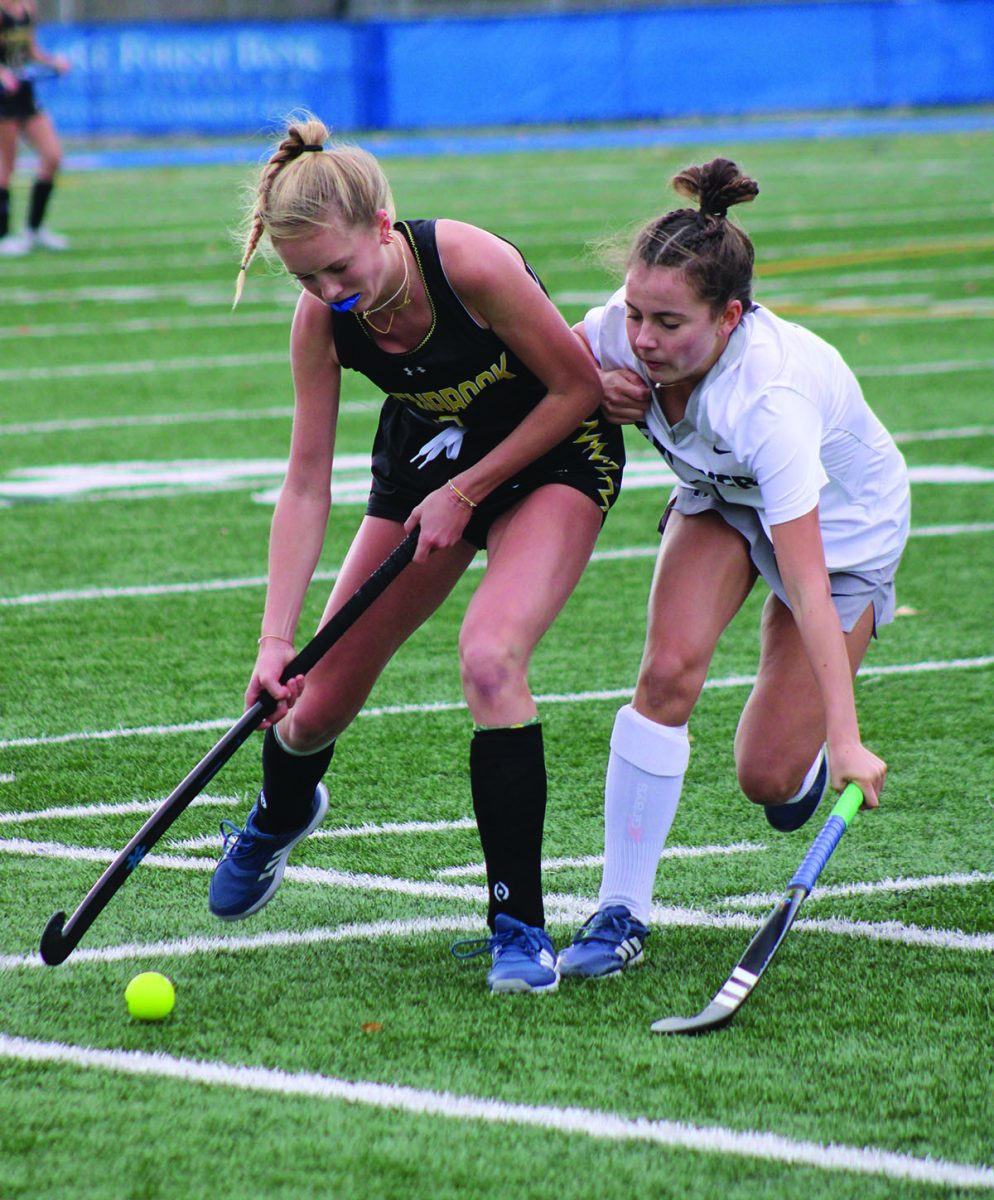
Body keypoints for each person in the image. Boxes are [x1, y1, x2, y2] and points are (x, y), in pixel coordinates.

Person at [208, 115, 625, 995]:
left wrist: (471, 492)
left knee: (490, 657)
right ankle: (281, 815)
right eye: (306, 277)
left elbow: (577, 387)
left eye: (340, 267)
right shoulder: (321, 322)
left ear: (383, 224)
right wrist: (273, 641)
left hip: (552, 452)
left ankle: (519, 927)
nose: (330, 291)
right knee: (310, 708)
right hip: (425, 466)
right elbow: (305, 483)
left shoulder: (468, 265)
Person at [556, 157, 910, 980]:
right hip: (718, 496)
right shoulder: (620, 331)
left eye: (670, 324)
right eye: (637, 314)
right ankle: (620, 911)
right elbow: (548, 377)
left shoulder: (770, 402)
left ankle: (811, 749)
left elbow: (811, 583)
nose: (644, 340)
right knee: (666, 673)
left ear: (730, 317)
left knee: (768, 778)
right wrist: (591, 386)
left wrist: (850, 742)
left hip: (844, 533)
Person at [0, 0, 69, 256]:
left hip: (24, 95)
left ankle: (34, 229)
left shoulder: (28, 8)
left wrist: (53, 62)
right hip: (3, 98)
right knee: (7, 166)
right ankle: (3, 235)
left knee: (52, 156)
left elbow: (29, 50)